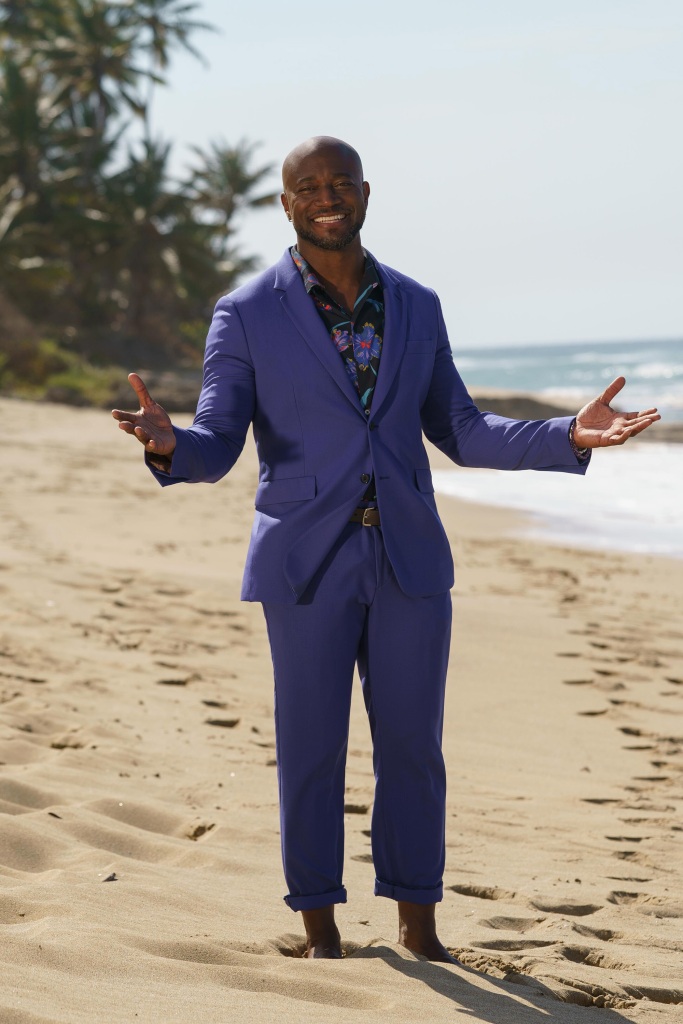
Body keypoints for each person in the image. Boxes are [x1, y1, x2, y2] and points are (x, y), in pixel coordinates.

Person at [112, 136, 660, 961]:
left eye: (340, 183)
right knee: (309, 747)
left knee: (412, 746)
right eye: (308, 186)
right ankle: (320, 927)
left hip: (408, 561)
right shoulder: (246, 312)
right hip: (304, 564)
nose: (326, 196)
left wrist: (562, 436)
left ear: (365, 194)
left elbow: (462, 431)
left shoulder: (416, 303)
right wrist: (167, 444)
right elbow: (219, 444)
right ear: (286, 204)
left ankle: (419, 927)